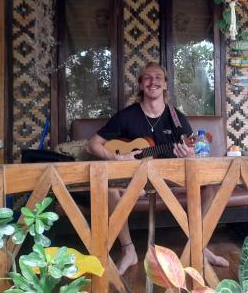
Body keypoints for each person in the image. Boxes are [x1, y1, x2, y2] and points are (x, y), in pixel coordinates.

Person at [86, 62, 228, 275]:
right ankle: (129, 251)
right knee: (109, 189)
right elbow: (92, 145)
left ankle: (199, 245)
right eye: (147, 78)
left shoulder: (176, 118)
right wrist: (118, 158)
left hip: (170, 179)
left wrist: (188, 154)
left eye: (158, 78)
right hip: (134, 179)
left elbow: (193, 155)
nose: (153, 82)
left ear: (165, 85)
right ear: (141, 85)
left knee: (212, 186)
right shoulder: (126, 116)